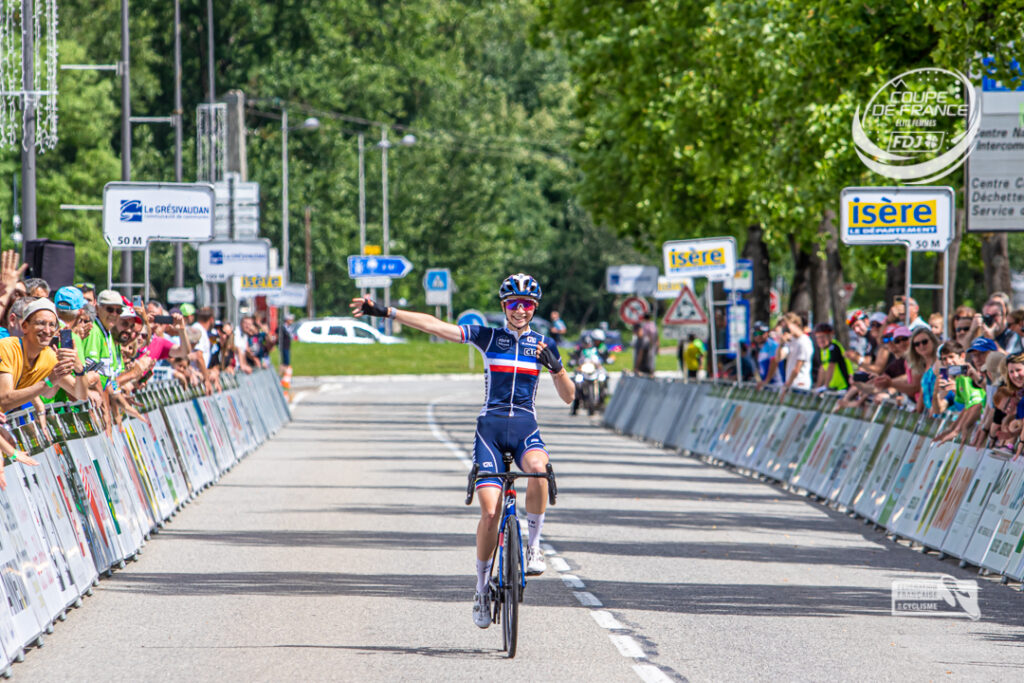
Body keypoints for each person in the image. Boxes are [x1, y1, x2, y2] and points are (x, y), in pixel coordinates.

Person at [349, 273, 574, 630]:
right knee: (490, 512)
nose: (520, 310)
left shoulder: (544, 344)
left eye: (527, 304)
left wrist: (557, 368)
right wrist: (387, 312)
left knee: (539, 469)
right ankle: (482, 588)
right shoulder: (489, 337)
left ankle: (533, 547)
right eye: (513, 304)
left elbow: (569, 397)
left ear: (534, 308)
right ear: (503, 306)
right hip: (490, 432)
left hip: (525, 430)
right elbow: (437, 327)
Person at [0, 298, 87, 411]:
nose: (47, 330)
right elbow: (4, 401)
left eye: (52, 325)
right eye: (41, 323)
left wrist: (79, 368)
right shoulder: (6, 347)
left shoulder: (49, 356)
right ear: (25, 326)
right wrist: (48, 382)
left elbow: (80, 395)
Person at [813, 322, 853, 391]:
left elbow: (831, 366)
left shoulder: (834, 347)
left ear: (830, 336)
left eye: (822, 337)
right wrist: (818, 387)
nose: (820, 340)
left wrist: (825, 386)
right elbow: (822, 369)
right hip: (834, 387)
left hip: (843, 387)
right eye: (818, 337)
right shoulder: (824, 350)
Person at [779, 312, 813, 396]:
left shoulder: (804, 341)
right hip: (791, 385)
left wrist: (786, 386)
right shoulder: (791, 341)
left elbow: (797, 368)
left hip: (800, 385)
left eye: (787, 327)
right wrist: (781, 344)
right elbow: (778, 358)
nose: (785, 330)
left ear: (796, 324)